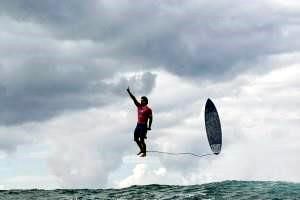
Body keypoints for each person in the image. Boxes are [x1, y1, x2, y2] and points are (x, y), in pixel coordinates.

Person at [126, 87, 153, 157]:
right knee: (135, 139)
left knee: (142, 140)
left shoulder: (148, 109)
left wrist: (149, 127)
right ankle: (141, 149)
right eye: (141, 100)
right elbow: (134, 99)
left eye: (143, 100)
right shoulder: (139, 106)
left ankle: (144, 153)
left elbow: (151, 118)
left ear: (146, 101)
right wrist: (129, 92)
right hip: (138, 125)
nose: (141, 101)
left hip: (144, 126)